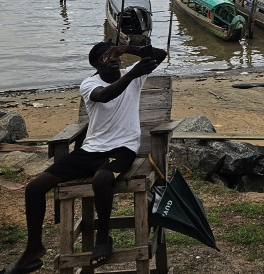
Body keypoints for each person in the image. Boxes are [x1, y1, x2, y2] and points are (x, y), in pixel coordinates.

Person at [3, 42, 166, 274]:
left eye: (113, 55)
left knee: (101, 180)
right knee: (34, 188)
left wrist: (128, 48)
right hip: (90, 150)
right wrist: (132, 75)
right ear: (95, 65)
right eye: (104, 57)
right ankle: (34, 248)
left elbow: (160, 54)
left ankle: (102, 240)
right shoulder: (90, 83)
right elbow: (105, 95)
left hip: (122, 149)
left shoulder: (133, 75)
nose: (111, 59)